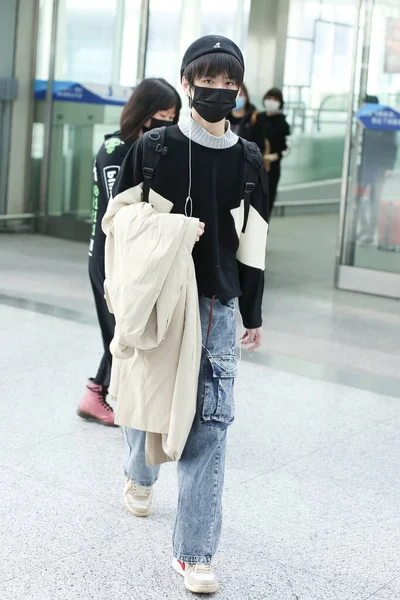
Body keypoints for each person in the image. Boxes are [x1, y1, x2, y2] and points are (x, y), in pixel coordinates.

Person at [105, 35, 269, 594]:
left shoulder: (249, 159)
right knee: (147, 402)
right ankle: (138, 472)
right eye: (209, 81)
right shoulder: (155, 149)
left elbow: (255, 241)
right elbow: (117, 225)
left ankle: (195, 553)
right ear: (186, 80)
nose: (219, 92)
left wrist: (252, 310)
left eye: (230, 84)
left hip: (218, 305)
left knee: (211, 427)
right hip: (159, 303)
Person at [77, 79, 181, 426]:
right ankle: (97, 393)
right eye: (163, 115)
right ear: (144, 113)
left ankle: (102, 394)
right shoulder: (114, 150)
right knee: (119, 333)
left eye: (173, 116)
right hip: (110, 259)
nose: (168, 122)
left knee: (125, 332)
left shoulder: (152, 148)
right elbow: (119, 213)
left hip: (138, 258)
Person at [357, 94, 398, 244]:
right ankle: (364, 226)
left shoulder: (384, 122)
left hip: (378, 168)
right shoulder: (361, 123)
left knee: (374, 199)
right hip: (364, 167)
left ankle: (370, 232)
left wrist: (389, 166)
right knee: (357, 199)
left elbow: (392, 146)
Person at [252, 87, 290, 212]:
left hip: (271, 169)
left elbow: (286, 149)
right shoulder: (258, 117)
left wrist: (271, 157)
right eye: (269, 98)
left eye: (275, 99)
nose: (271, 101)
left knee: (267, 200)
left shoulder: (283, 123)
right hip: (254, 165)